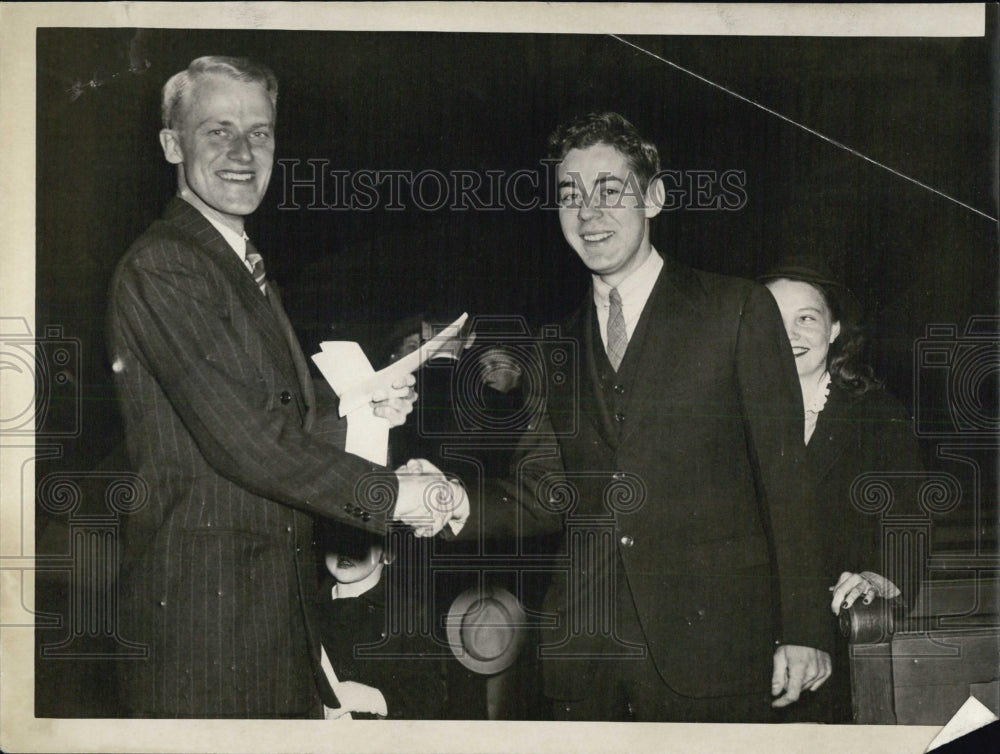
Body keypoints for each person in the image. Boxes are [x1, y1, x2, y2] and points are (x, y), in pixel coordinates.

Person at [424, 112, 833, 721]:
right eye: (570, 195)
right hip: (586, 662)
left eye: (610, 190)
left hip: (714, 652)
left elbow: (786, 480)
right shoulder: (552, 345)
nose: (588, 212)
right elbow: (543, 494)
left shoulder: (736, 308)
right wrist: (446, 499)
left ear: (656, 197)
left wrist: (805, 626)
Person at [106, 56, 452, 718]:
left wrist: (355, 412)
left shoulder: (239, 268)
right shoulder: (167, 266)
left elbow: (266, 421)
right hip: (206, 633)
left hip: (265, 617)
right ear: (172, 144)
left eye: (259, 132)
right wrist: (394, 495)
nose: (242, 152)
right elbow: (249, 444)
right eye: (218, 131)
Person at [760, 255, 924, 723]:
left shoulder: (875, 413)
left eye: (806, 319)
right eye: (773, 320)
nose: (788, 335)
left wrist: (879, 577)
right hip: (747, 644)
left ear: (833, 329)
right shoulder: (727, 411)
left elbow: (909, 518)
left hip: (840, 641)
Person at [310, 521, 445, 720]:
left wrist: (372, 699)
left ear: (388, 554)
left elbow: (431, 695)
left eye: (358, 541)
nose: (344, 550)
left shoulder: (408, 615)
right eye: (334, 539)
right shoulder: (304, 604)